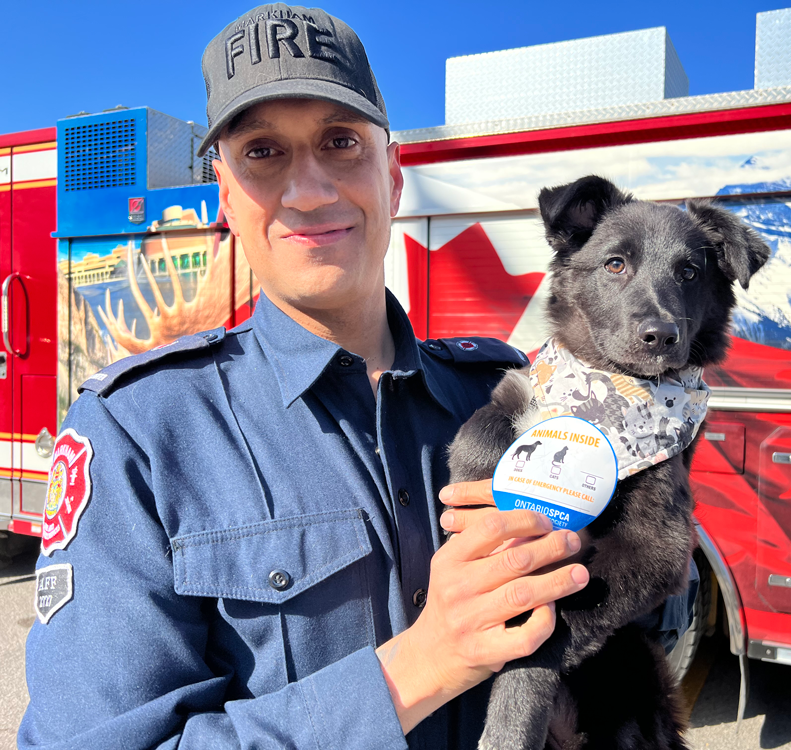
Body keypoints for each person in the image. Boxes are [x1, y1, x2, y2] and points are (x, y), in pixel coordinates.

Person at [19, 5, 589, 748]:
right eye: (263, 152)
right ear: (225, 196)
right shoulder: (139, 435)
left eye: (341, 142)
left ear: (393, 176)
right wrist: (421, 666)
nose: (310, 190)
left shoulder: (511, 396)